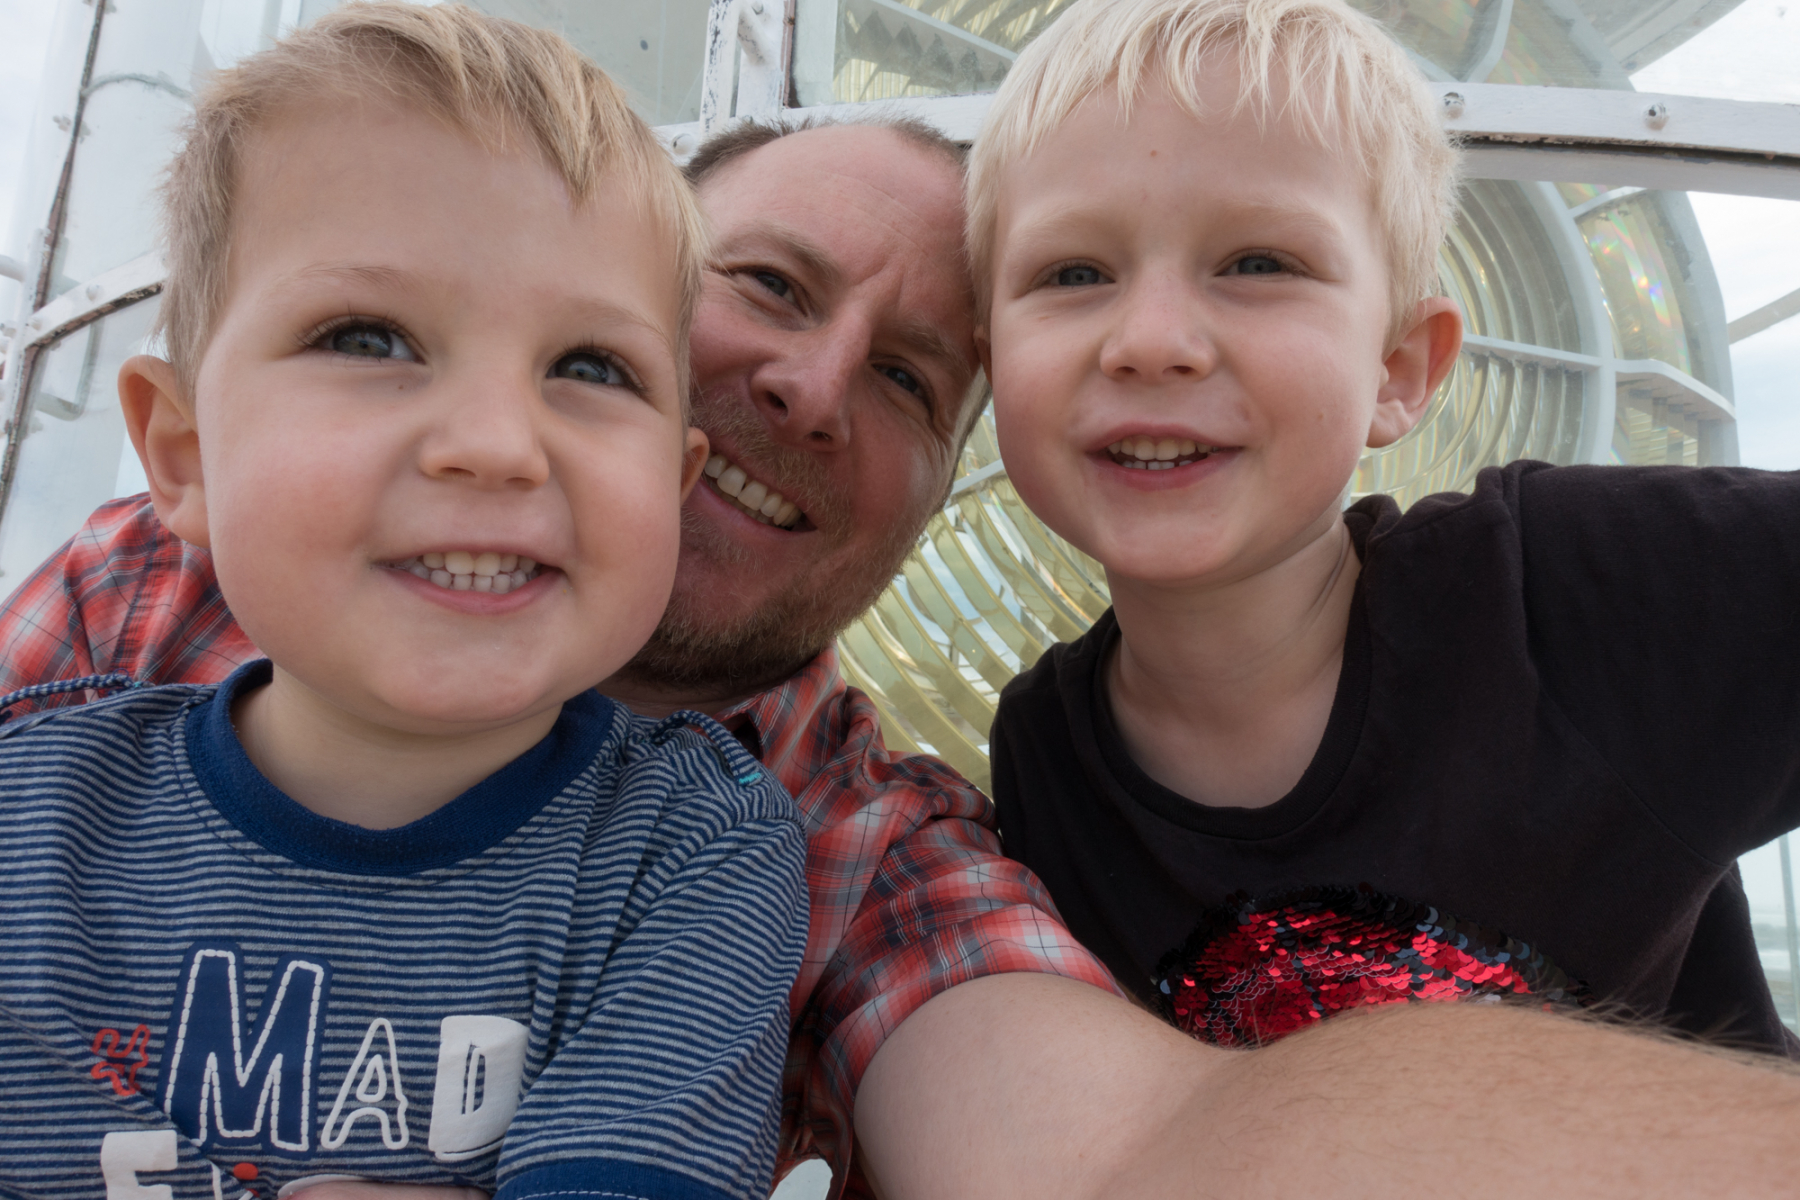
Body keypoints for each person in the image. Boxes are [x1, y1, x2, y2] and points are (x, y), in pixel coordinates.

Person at [7, 6, 1800, 1195]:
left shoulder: (838, 839)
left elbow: (1126, 1156)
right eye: (766, 288)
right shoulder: (147, 599)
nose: (807, 387)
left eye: (908, 379)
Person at [0, 7, 807, 1199]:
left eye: (591, 369)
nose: (497, 445)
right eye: (370, 339)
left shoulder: (692, 853)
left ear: (674, 485)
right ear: (185, 454)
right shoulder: (29, 817)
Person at [979, 0, 1800, 1064]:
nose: (1151, 340)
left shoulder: (1564, 593)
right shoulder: (1043, 756)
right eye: (1073, 274)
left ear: (1399, 369)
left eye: (1259, 263)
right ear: (989, 359)